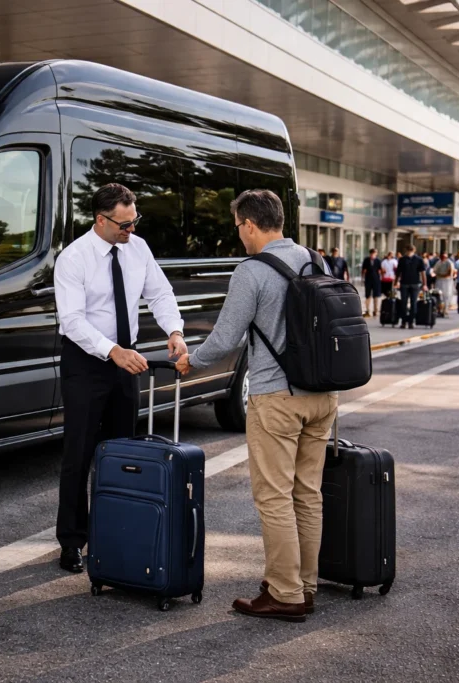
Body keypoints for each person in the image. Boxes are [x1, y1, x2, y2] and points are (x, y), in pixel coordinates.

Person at [175, 189, 336, 623]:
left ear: (249, 224)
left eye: (238, 228)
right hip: (322, 395)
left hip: (277, 397)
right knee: (307, 494)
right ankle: (304, 585)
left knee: (274, 496)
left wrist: (192, 359)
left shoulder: (251, 270)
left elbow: (226, 337)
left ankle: (284, 594)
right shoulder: (314, 260)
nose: (239, 236)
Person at [53, 183, 186, 573]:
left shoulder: (138, 248)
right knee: (78, 453)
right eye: (124, 225)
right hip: (87, 361)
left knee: (121, 453)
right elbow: (72, 321)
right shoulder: (74, 258)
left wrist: (174, 331)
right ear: (101, 219)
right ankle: (72, 542)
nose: (130, 230)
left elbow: (160, 293)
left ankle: (114, 535)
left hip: (128, 361)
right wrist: (112, 350)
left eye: (134, 222)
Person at [394, 245, 427, 330]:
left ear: (414, 251)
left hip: (414, 283)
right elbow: (398, 272)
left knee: (413, 303)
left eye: (410, 250)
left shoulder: (418, 260)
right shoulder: (402, 259)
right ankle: (405, 322)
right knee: (404, 303)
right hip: (405, 283)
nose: (409, 252)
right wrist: (396, 282)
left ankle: (410, 322)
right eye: (408, 250)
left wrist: (424, 284)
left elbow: (423, 273)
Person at [432, 251, 456, 317]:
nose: (442, 258)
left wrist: (440, 275)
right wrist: (438, 275)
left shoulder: (449, 263)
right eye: (441, 257)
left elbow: (449, 273)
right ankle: (439, 309)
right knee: (438, 295)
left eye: (444, 257)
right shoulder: (439, 262)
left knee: (446, 296)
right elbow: (434, 270)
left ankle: (445, 310)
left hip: (447, 282)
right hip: (439, 281)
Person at [360, 248, 382, 317]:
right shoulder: (366, 260)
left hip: (376, 280)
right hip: (368, 279)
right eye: (372, 253)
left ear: (376, 254)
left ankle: (376, 310)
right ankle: (368, 310)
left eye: (374, 253)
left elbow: (380, 270)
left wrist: (381, 277)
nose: (373, 255)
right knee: (368, 295)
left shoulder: (378, 261)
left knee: (376, 296)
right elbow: (363, 270)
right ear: (370, 254)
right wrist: (363, 278)